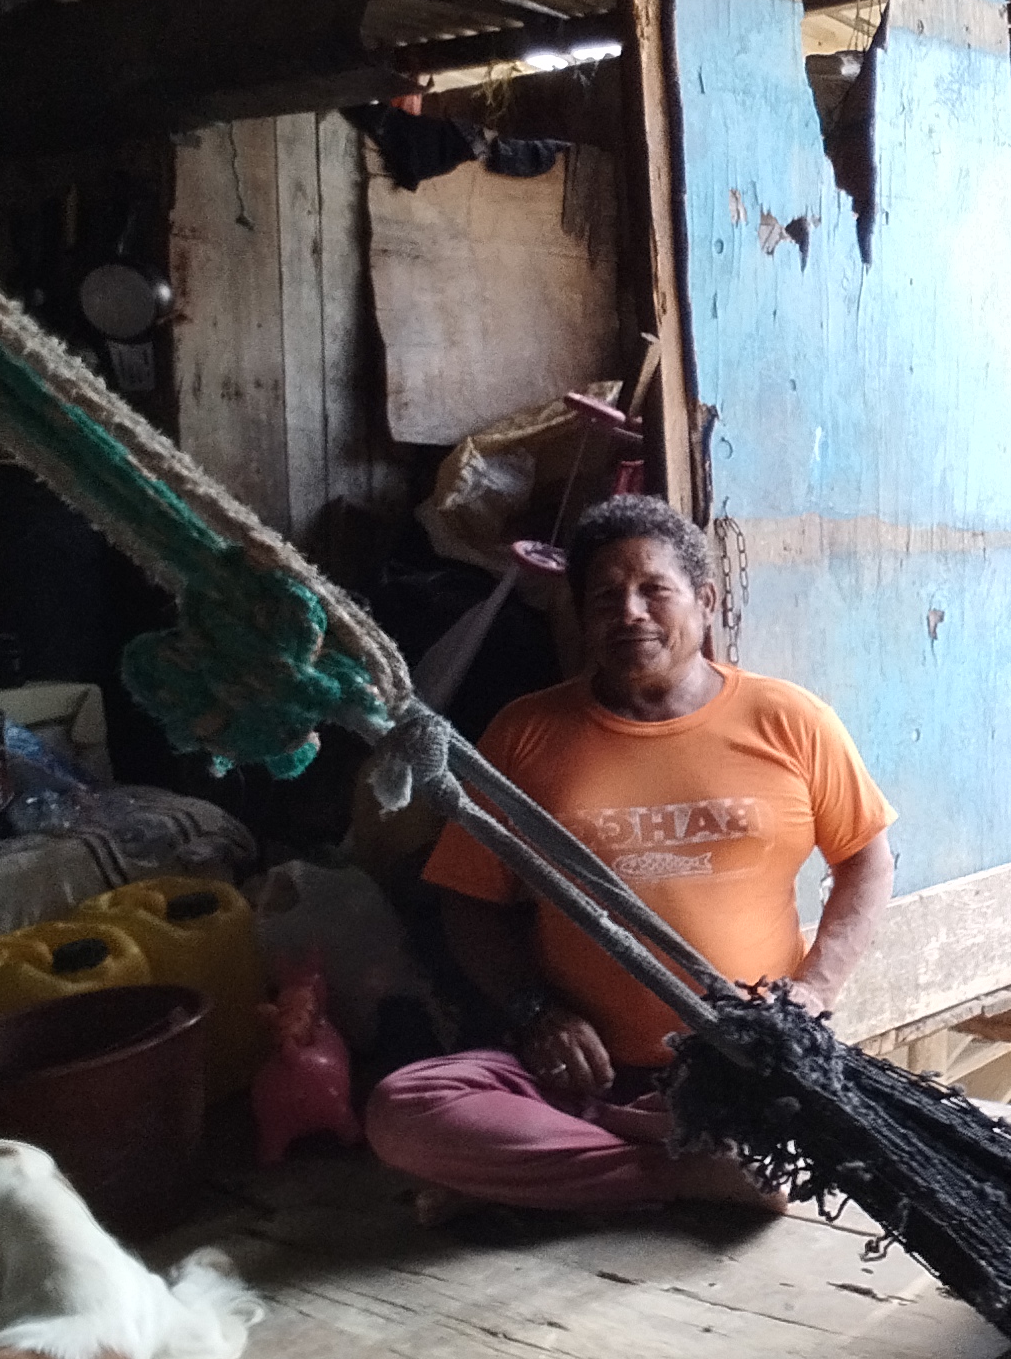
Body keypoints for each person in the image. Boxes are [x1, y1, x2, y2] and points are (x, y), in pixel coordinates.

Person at [366, 495, 897, 1217]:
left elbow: (866, 859)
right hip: (582, 1076)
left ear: (705, 602)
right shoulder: (526, 732)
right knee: (405, 1109)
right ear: (581, 618)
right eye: (605, 597)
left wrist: (814, 991)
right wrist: (537, 1012)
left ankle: (559, 1177)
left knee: (791, 1129)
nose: (630, 613)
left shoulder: (790, 720)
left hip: (742, 1068)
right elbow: (469, 898)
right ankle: (681, 1174)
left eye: (654, 590)